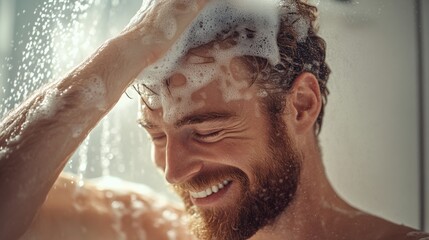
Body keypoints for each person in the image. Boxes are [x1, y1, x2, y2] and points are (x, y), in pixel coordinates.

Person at [0, 0, 426, 239]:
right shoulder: (150, 229)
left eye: (205, 130)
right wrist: (136, 45)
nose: (172, 170)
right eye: (157, 135)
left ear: (301, 105)